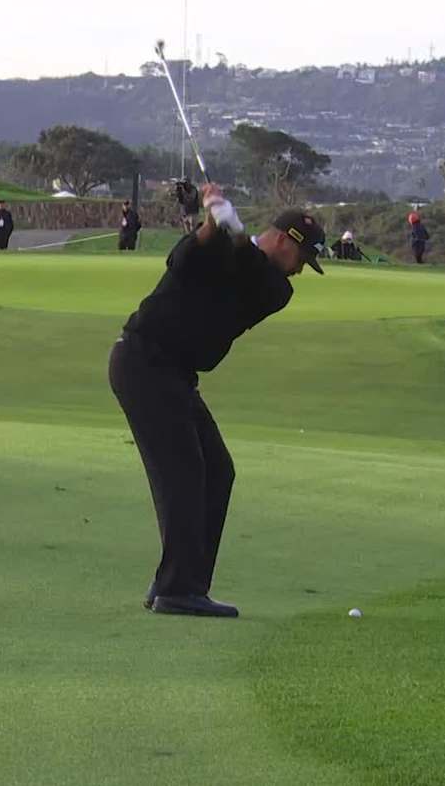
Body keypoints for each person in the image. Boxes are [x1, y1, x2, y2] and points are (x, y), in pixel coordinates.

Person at [111, 183, 327, 618]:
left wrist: (234, 229)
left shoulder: (276, 289)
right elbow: (183, 258)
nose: (301, 270)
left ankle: (182, 583)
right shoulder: (218, 250)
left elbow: (250, 270)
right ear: (284, 241)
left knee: (217, 471)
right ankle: (177, 588)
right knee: (185, 472)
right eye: (302, 259)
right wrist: (213, 222)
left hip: (176, 376)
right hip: (144, 363)